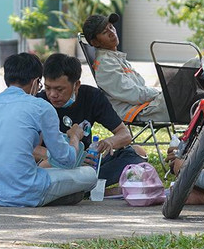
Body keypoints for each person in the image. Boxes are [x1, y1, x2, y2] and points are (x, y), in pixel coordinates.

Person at [0, 52, 98, 207]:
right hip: (28, 192)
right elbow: (67, 160)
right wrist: (75, 137)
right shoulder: (41, 107)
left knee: (47, 173)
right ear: (36, 81)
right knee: (90, 175)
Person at [36, 52, 149, 191]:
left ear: (76, 85)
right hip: (53, 166)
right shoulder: (38, 103)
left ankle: (86, 186)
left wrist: (109, 143)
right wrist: (69, 158)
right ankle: (89, 187)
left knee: (137, 153)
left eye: (59, 89)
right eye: (48, 88)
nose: (52, 95)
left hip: (87, 164)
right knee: (46, 167)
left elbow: (124, 135)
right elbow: (29, 149)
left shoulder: (92, 97)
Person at [81, 13, 169, 124]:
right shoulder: (105, 64)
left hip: (148, 105)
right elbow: (135, 94)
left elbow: (140, 86)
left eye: (111, 27)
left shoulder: (115, 58)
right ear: (95, 42)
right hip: (139, 111)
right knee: (192, 71)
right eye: (104, 32)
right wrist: (159, 93)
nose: (112, 33)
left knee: (191, 95)